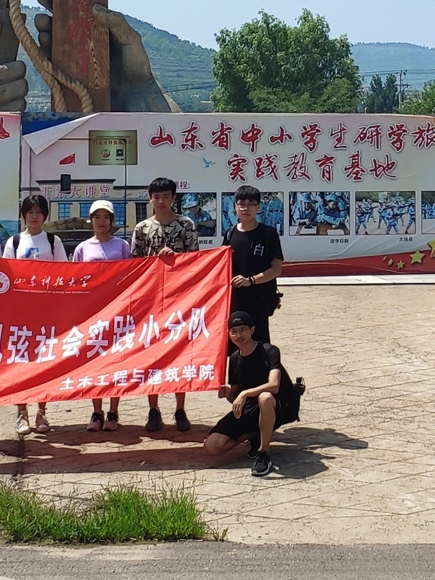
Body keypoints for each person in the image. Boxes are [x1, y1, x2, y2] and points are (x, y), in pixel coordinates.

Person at [131, 177, 199, 433]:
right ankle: (153, 408)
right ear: (150, 198)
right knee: (152, 354)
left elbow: (195, 261)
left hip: (179, 297)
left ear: (173, 198)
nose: (161, 201)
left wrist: (176, 258)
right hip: (150, 300)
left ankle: (180, 408)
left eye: (165, 196)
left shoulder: (186, 225)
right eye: (156, 196)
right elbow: (135, 264)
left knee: (179, 352)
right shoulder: (142, 228)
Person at [203, 310, 300, 477]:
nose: (238, 335)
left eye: (242, 330)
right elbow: (235, 398)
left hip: (278, 406)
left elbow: (274, 385)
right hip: (251, 408)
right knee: (212, 446)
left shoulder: (269, 351)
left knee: (265, 397)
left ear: (252, 330)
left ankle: (264, 452)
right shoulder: (235, 358)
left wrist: (246, 393)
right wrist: (228, 393)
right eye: (234, 331)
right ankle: (257, 433)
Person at [3, 194, 68, 435]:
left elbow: (64, 273)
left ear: (45, 216)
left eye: (39, 212)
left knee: (44, 364)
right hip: (21, 313)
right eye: (30, 212)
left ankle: (41, 412)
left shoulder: (53, 241)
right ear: (23, 215)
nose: (34, 216)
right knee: (21, 364)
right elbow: (5, 274)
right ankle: (22, 414)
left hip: (46, 313)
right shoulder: (14, 242)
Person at [72, 199, 131, 431]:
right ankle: (96, 412)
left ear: (112, 221)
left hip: (117, 310)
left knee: (116, 361)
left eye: (106, 217)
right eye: (97, 217)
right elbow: (75, 280)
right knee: (94, 361)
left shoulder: (122, 246)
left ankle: (113, 412)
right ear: (91, 221)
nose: (101, 222)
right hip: (92, 312)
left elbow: (131, 275)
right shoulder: (82, 248)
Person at [223, 184, 284, 345]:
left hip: (259, 302)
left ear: (258, 207)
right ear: (235, 207)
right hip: (235, 303)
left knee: (260, 347)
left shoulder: (268, 234)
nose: (246, 208)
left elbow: (276, 269)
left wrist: (250, 280)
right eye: (242, 204)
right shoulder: (230, 234)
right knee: (235, 345)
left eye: (251, 204)